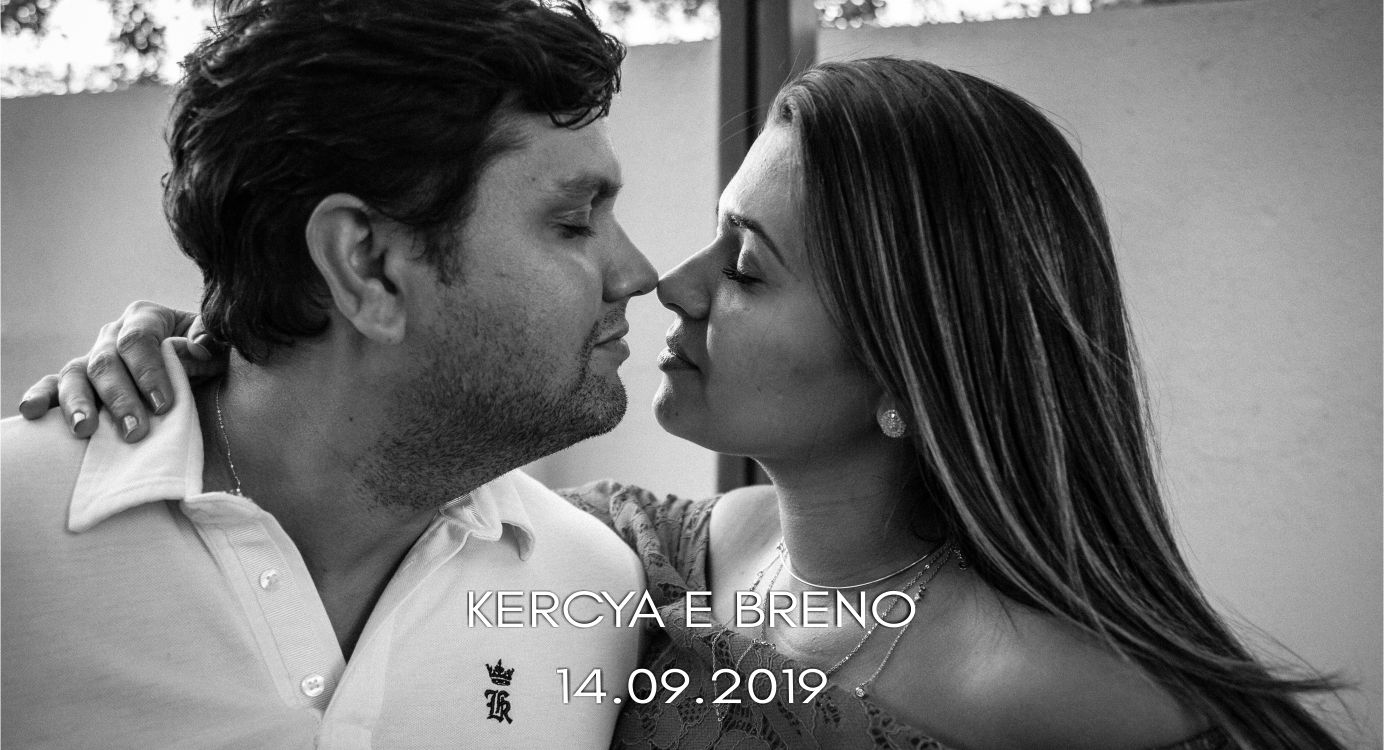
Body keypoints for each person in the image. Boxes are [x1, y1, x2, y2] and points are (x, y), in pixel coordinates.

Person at [23, 59, 1351, 749]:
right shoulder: (626, 561)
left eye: (750, 268)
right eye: (717, 233)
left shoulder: (1072, 699)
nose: (672, 279)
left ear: (910, 366)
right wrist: (216, 347)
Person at [2, 0, 656, 747]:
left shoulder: (594, 593)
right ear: (365, 265)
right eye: (573, 223)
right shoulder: (15, 539)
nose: (638, 273)